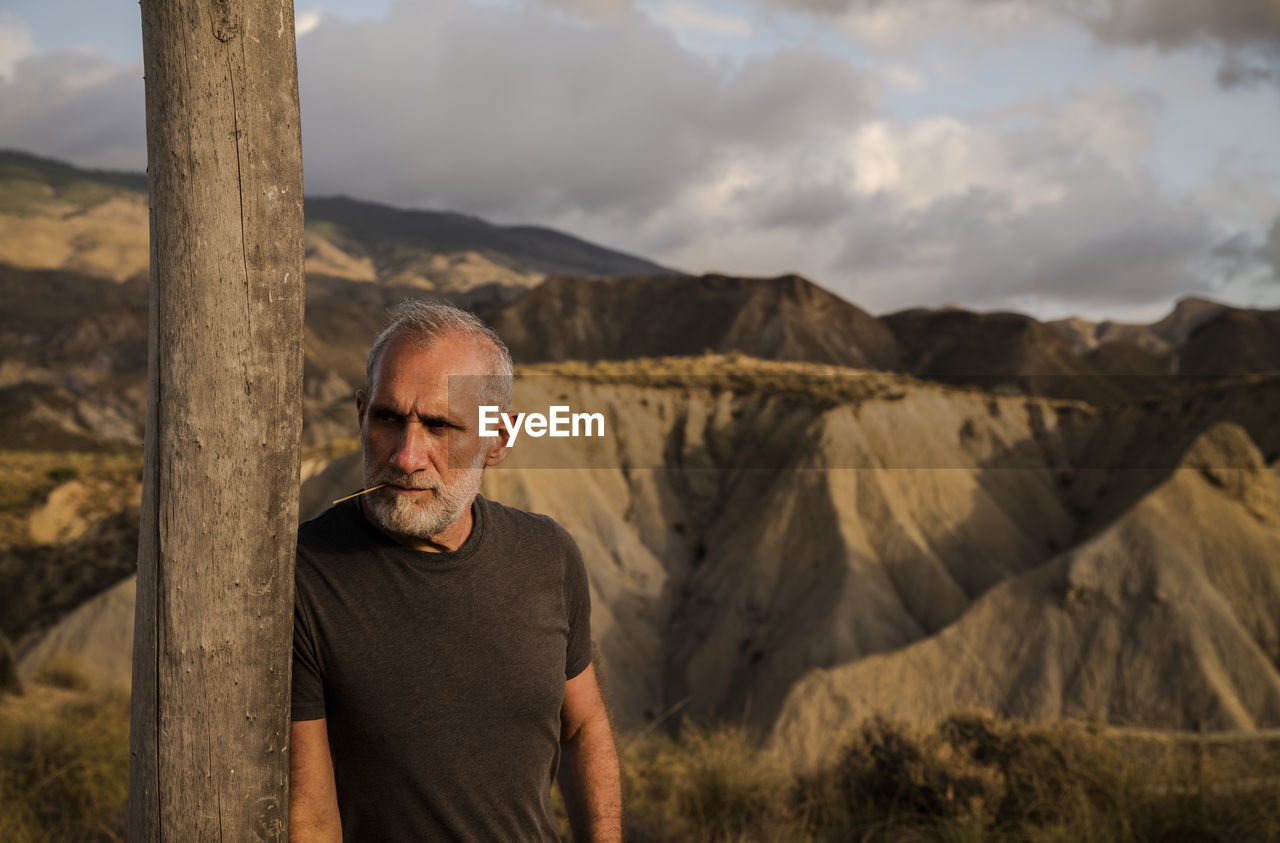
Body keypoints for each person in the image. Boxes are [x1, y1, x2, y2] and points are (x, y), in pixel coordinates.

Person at [289, 301, 622, 841]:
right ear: (360, 413)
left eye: (440, 426)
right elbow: (310, 819)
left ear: (499, 440)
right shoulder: (304, 577)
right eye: (387, 418)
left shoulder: (549, 555)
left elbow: (583, 728)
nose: (405, 456)